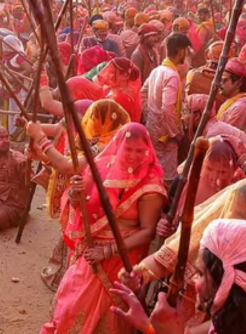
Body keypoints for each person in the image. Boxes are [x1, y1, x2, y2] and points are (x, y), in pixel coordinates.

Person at [39, 123, 166, 334]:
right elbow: (84, 210)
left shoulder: (150, 184)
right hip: (91, 250)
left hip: (123, 259)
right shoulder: (103, 168)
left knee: (110, 317)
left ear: (147, 150)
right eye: (128, 149)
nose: (133, 156)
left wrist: (107, 251)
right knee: (70, 306)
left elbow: (147, 232)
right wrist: (75, 194)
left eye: (139, 150)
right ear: (118, 147)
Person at [113, 219, 246, 334]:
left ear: (226, 282)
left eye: (199, 274)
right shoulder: (236, 322)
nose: (193, 280)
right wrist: (148, 325)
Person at [144, 33, 192, 186]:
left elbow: (142, 93)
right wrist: (174, 133)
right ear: (181, 51)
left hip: (153, 128)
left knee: (155, 168)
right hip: (165, 134)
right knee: (168, 175)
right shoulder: (171, 75)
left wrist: (150, 116)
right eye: (186, 50)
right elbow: (167, 108)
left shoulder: (157, 70)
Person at [94, 57, 142, 122]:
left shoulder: (122, 99)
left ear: (124, 76)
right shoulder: (111, 89)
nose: (108, 75)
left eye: (112, 72)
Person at [217, 58, 246, 132]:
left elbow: (227, 136)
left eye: (224, 80)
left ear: (238, 83)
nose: (220, 84)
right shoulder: (231, 102)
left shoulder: (240, 108)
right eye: (220, 80)